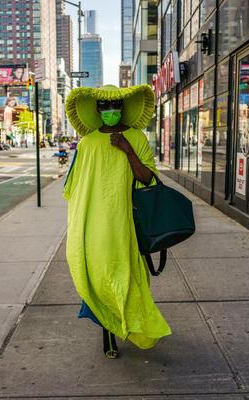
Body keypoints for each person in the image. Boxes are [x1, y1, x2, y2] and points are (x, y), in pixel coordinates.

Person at [63, 84, 171, 359]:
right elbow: (74, 187)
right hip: (94, 224)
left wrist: (127, 150)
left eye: (115, 107)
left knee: (131, 277)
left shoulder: (137, 137)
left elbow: (149, 179)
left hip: (128, 224)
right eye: (104, 107)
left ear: (123, 108)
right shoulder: (86, 144)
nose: (110, 111)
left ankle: (128, 325)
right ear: (97, 111)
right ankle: (108, 333)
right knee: (100, 277)